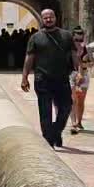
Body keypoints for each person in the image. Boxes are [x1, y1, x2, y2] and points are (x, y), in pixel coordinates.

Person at [21, 8, 74, 148]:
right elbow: (29, 57)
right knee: (45, 111)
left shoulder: (66, 36)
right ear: (42, 19)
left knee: (66, 107)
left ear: (55, 18)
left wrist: (79, 71)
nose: (48, 19)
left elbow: (74, 55)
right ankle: (48, 141)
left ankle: (55, 132)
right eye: (45, 18)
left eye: (51, 17)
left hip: (62, 79)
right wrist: (24, 77)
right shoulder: (36, 38)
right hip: (42, 79)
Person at [69, 26, 94, 134]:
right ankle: (73, 123)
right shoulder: (68, 49)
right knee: (73, 100)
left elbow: (92, 63)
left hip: (84, 75)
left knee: (80, 101)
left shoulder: (86, 48)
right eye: (76, 40)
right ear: (72, 38)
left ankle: (79, 122)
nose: (79, 42)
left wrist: (85, 62)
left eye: (81, 40)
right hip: (71, 75)